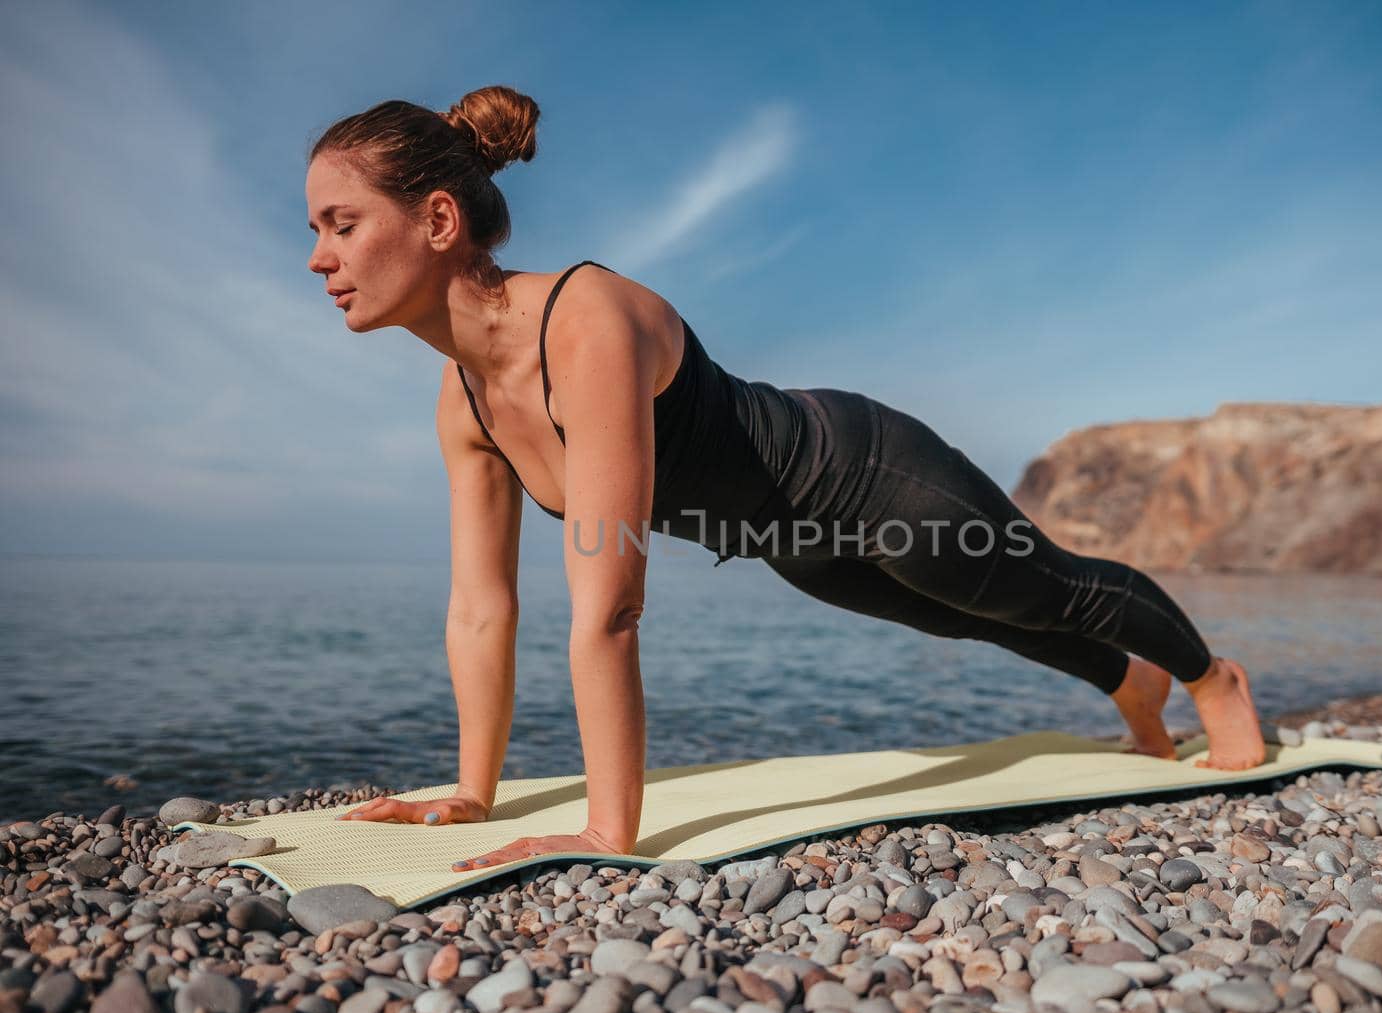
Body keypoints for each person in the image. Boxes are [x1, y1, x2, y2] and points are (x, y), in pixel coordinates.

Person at [318, 87, 1266, 872]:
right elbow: (483, 608)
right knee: (971, 613)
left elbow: (608, 600)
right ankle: (1128, 682)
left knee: (1035, 584)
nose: (320, 256)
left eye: (342, 223)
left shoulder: (584, 320)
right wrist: (471, 793)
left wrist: (609, 832)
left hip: (863, 472)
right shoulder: (465, 402)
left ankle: (1211, 678)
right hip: (785, 540)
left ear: (438, 218)